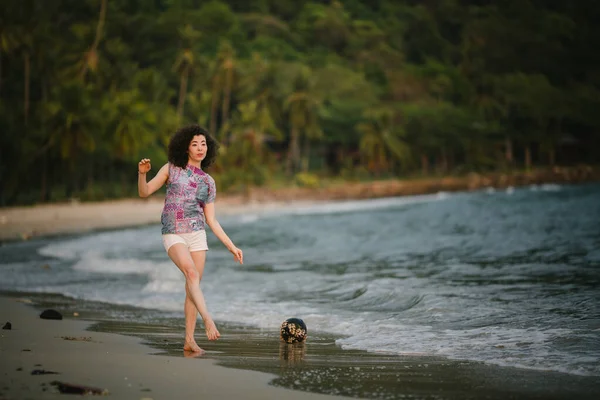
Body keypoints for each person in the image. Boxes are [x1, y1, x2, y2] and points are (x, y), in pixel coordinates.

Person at [137, 124, 243, 353]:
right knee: (191, 274)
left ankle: (189, 340)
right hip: (173, 231)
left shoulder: (208, 182)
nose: (200, 148)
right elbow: (144, 192)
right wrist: (142, 173)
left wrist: (231, 246)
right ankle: (208, 320)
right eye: (194, 144)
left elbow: (212, 221)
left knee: (192, 287)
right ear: (186, 147)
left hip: (197, 235)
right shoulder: (171, 169)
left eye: (203, 144)